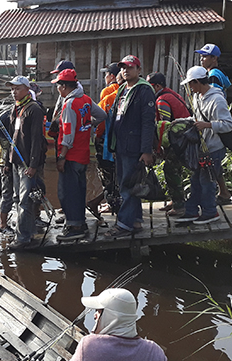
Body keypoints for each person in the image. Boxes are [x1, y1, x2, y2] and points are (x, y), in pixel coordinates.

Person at [0, 288, 179, 361]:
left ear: (110, 317)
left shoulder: (90, 345)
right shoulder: (155, 353)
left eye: (99, 312)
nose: (95, 315)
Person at [174, 66, 232, 226]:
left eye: (191, 84)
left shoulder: (217, 99)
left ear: (197, 82)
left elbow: (228, 125)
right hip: (201, 149)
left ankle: (210, 212)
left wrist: (207, 125)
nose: (190, 88)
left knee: (207, 182)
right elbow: (196, 118)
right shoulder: (197, 97)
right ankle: (192, 211)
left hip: (214, 148)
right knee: (195, 181)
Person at [53, 69, 106, 241]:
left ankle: (75, 227)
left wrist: (62, 157)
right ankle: (80, 221)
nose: (57, 90)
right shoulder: (85, 100)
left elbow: (67, 135)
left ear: (64, 87)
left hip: (71, 155)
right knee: (80, 189)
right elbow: (102, 115)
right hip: (83, 154)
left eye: (58, 86)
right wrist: (89, 126)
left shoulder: (69, 105)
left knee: (67, 192)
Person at [106, 55, 156, 238]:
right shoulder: (123, 89)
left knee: (127, 185)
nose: (125, 71)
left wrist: (146, 150)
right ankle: (135, 220)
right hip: (121, 145)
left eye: (130, 67)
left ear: (139, 70)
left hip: (134, 146)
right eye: (123, 68)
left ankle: (124, 224)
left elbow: (148, 122)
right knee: (129, 184)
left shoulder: (144, 90)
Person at [6, 76, 46, 250]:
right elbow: (12, 136)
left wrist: (33, 165)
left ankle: (23, 238)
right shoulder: (16, 108)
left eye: (18, 88)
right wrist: (8, 161)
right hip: (16, 160)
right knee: (17, 198)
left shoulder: (34, 109)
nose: (14, 92)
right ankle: (25, 232)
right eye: (12, 89)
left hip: (27, 163)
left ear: (27, 90)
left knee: (24, 201)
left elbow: (37, 140)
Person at [147, 73, 191, 216]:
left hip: (178, 140)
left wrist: (160, 146)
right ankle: (176, 199)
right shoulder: (173, 95)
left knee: (170, 170)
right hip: (185, 137)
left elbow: (164, 126)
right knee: (176, 170)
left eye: (150, 86)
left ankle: (179, 205)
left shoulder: (162, 100)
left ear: (158, 86)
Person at [195, 43, 232, 204]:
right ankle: (224, 192)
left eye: (205, 56)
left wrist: (206, 124)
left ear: (214, 58)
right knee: (214, 166)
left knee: (210, 168)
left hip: (212, 127)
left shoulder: (213, 76)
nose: (201, 59)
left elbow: (213, 98)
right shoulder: (217, 73)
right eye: (201, 56)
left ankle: (210, 206)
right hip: (212, 125)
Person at [92, 65, 124, 215]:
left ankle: (112, 204)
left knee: (108, 175)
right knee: (122, 175)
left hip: (108, 144)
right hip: (126, 146)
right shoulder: (136, 95)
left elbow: (100, 120)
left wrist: (97, 136)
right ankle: (123, 203)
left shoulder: (108, 95)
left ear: (112, 76)